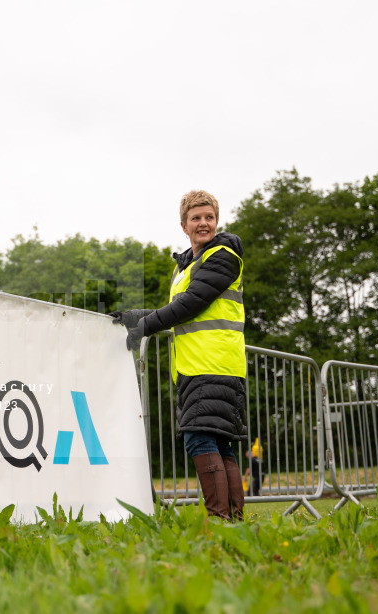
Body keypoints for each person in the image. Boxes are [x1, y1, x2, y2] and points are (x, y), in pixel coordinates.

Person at [111, 190, 247, 520]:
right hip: (199, 365)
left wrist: (144, 326)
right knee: (219, 442)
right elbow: (179, 308)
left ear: (217, 221)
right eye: (196, 218)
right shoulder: (189, 265)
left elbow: (191, 305)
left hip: (212, 363)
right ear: (183, 225)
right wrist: (137, 316)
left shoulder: (222, 256)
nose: (204, 223)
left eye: (209, 217)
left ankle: (220, 518)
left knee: (199, 437)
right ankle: (232, 521)